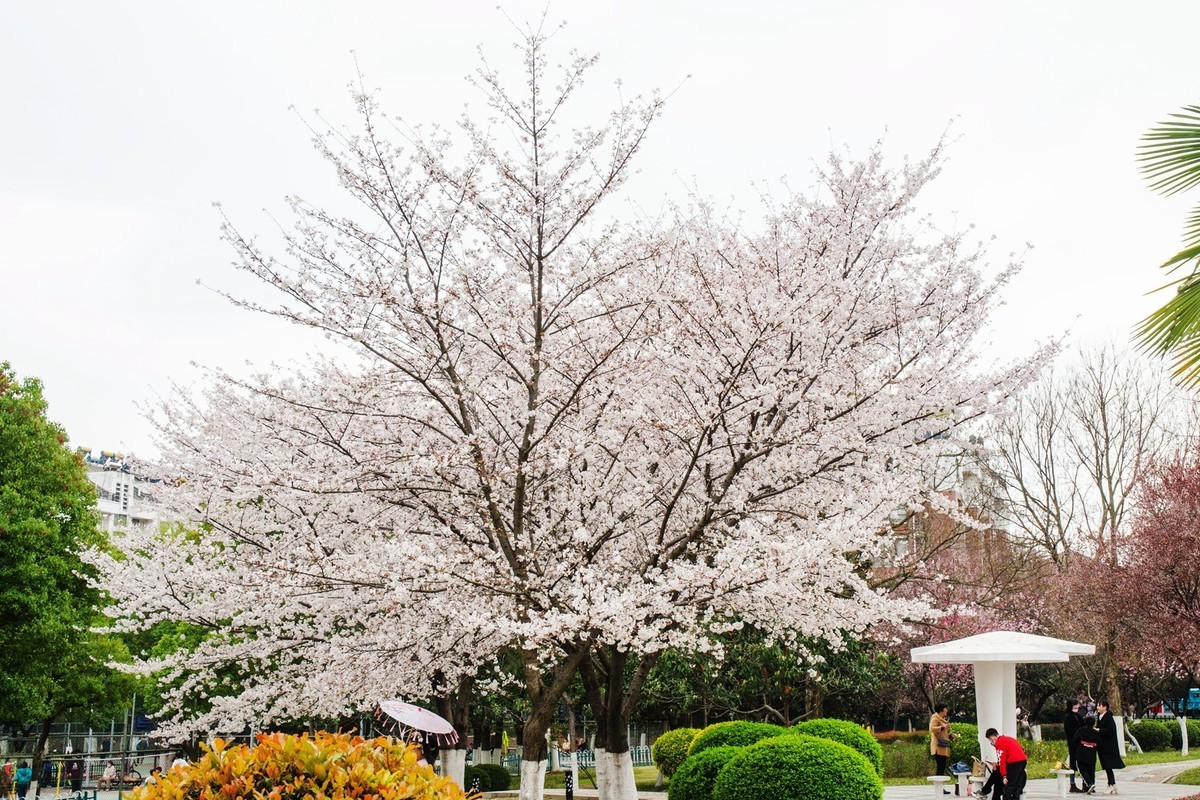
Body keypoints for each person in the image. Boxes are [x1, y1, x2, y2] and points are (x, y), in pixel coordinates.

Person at [985, 727, 1027, 800]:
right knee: (1017, 786)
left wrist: (1004, 775)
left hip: (1014, 763)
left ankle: (985, 790)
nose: (991, 742)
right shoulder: (1009, 739)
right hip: (1023, 761)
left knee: (1009, 786)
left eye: (990, 740)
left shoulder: (999, 742)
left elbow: (1002, 759)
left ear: (992, 737)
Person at [1096, 700, 1124, 794]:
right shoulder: (1099, 717)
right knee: (1107, 766)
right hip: (1102, 746)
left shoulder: (1108, 718)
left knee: (1108, 766)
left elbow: (1110, 731)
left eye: (1099, 706)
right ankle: (1113, 784)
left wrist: (1099, 730)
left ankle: (1111, 784)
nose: (1097, 707)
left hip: (1108, 746)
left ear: (1105, 707)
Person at [930, 702, 958, 790]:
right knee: (940, 767)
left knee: (942, 767)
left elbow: (943, 734)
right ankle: (939, 788)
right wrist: (943, 727)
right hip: (938, 747)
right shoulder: (935, 718)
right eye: (945, 708)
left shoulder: (942, 719)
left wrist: (950, 736)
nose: (946, 710)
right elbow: (932, 729)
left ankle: (940, 788)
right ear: (941, 710)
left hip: (942, 746)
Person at [1072, 715, 1101, 794]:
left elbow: (1075, 740)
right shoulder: (1095, 732)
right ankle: (1092, 784)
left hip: (1081, 753)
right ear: (1094, 723)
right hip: (1092, 753)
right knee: (1091, 770)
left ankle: (1089, 784)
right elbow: (1099, 743)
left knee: (1082, 770)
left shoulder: (1081, 730)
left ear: (1085, 722)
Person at [1064, 700, 1084, 793]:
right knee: (1073, 763)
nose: (1076, 708)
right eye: (1074, 706)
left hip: (1080, 742)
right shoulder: (1068, 717)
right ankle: (1072, 784)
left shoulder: (1077, 715)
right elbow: (1071, 730)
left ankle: (1085, 783)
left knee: (1081, 762)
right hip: (1073, 743)